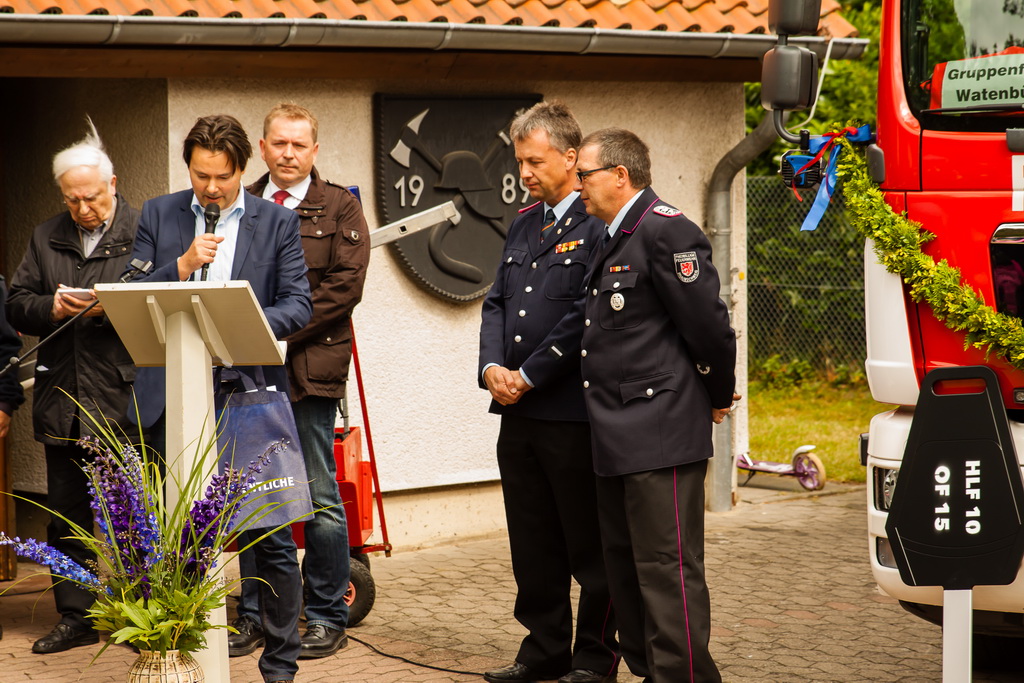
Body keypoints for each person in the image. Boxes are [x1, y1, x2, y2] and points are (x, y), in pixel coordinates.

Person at [128, 114, 312, 683]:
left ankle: (280, 665)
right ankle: (177, 658)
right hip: (171, 397)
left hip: (245, 395)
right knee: (174, 536)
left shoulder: (277, 221)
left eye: (223, 177)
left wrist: (235, 321)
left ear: (242, 169)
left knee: (270, 537)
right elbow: (129, 294)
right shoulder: (158, 213)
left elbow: (298, 304)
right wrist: (181, 268)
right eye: (201, 175)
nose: (211, 188)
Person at [574, 128, 737, 683]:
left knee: (665, 566)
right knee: (624, 566)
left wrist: (716, 396)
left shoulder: (667, 231)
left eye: (585, 175)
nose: (579, 185)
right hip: (615, 430)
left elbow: (709, 329)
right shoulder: (611, 235)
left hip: (659, 428)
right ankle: (649, 670)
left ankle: (683, 676)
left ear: (620, 175)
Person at [477, 102, 618, 683]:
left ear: (569, 156)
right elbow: (496, 302)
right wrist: (492, 366)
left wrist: (529, 374)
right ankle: (544, 651)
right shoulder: (523, 223)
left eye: (534, 161)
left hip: (571, 412)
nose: (524, 172)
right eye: (520, 161)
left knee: (589, 544)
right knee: (533, 543)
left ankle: (595, 658)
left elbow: (586, 314)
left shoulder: (598, 222)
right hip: (519, 413)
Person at [232, 103, 369, 659]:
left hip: (309, 367)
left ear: (315, 150)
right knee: (253, 496)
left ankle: (326, 616)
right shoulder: (240, 202)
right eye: (279, 143)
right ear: (263, 147)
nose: (288, 154)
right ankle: (256, 615)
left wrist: (276, 328)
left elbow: (345, 287)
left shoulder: (340, 206)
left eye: (299, 145)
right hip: (245, 369)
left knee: (317, 494)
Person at [6, 123, 140, 654]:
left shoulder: (144, 229)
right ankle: (76, 617)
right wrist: (52, 307)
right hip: (62, 395)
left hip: (124, 394)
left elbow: (162, 300)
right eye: (72, 199)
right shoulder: (45, 235)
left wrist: (113, 306)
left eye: (92, 197)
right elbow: (17, 304)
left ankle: (144, 615)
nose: (83, 208)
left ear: (113, 184)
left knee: (132, 514)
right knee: (67, 515)